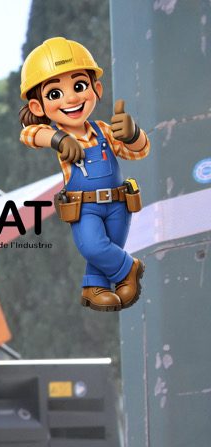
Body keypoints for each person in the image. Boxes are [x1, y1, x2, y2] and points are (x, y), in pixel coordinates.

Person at [18, 36, 149, 311]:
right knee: (92, 246)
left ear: (96, 89)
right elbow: (29, 134)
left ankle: (94, 287)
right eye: (55, 94)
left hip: (118, 203)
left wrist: (133, 134)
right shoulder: (53, 133)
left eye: (79, 86)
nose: (72, 98)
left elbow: (138, 152)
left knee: (108, 247)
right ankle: (128, 268)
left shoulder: (105, 130)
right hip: (85, 206)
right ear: (37, 107)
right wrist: (58, 139)